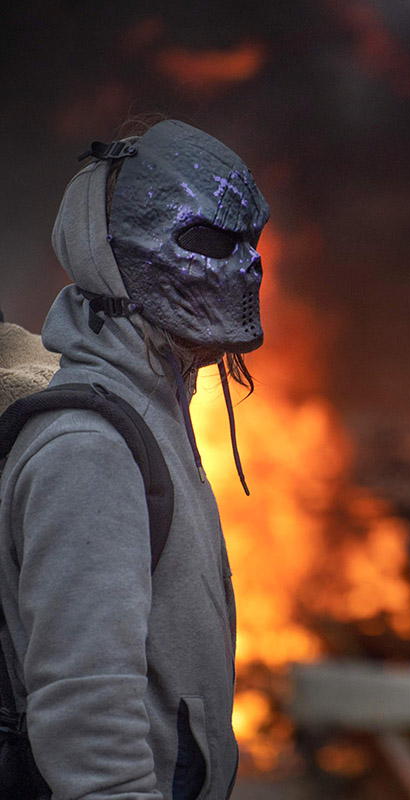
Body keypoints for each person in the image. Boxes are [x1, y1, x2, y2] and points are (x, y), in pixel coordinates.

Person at [0, 119, 269, 799]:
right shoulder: (90, 449)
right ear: (117, 255)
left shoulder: (152, 413)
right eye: (211, 240)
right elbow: (88, 714)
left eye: (251, 241)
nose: (247, 265)